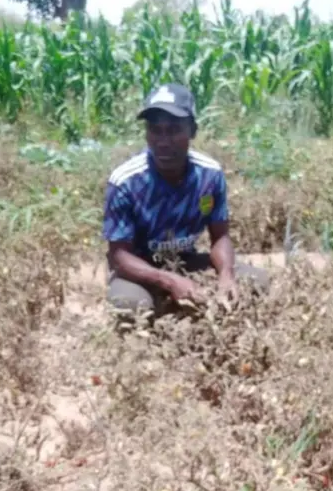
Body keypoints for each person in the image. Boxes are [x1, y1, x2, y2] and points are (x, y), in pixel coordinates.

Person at [102, 82, 268, 319]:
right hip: (139, 269)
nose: (163, 140)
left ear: (192, 131)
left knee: (257, 281)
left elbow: (220, 236)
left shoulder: (209, 175)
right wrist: (168, 280)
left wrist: (226, 276)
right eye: (155, 130)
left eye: (173, 130)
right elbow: (119, 256)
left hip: (186, 261)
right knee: (130, 305)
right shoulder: (126, 181)